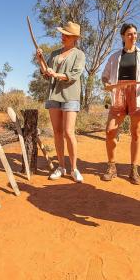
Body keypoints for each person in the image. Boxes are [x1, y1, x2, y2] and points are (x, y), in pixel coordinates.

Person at [101, 23, 140, 185]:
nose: (133, 36)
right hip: (118, 93)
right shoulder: (114, 57)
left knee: (136, 133)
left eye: (135, 33)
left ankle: (134, 169)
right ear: (122, 37)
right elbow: (104, 76)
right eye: (129, 34)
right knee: (110, 131)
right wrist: (106, 83)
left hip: (138, 95)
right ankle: (111, 166)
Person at [37, 21, 86, 183]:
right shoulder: (55, 54)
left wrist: (56, 74)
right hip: (54, 96)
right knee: (57, 132)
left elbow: (74, 75)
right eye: (62, 34)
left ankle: (74, 168)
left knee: (68, 132)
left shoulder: (79, 54)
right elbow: (46, 73)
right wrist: (40, 60)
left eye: (66, 34)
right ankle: (61, 167)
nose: (62, 36)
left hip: (70, 96)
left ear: (74, 38)